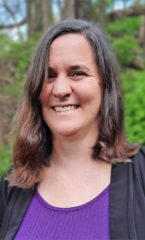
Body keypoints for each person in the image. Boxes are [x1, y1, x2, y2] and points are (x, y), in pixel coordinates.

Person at [0, 19, 145, 240]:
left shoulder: (141, 175)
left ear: (105, 85)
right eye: (48, 76)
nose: (60, 89)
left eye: (77, 73)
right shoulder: (12, 187)